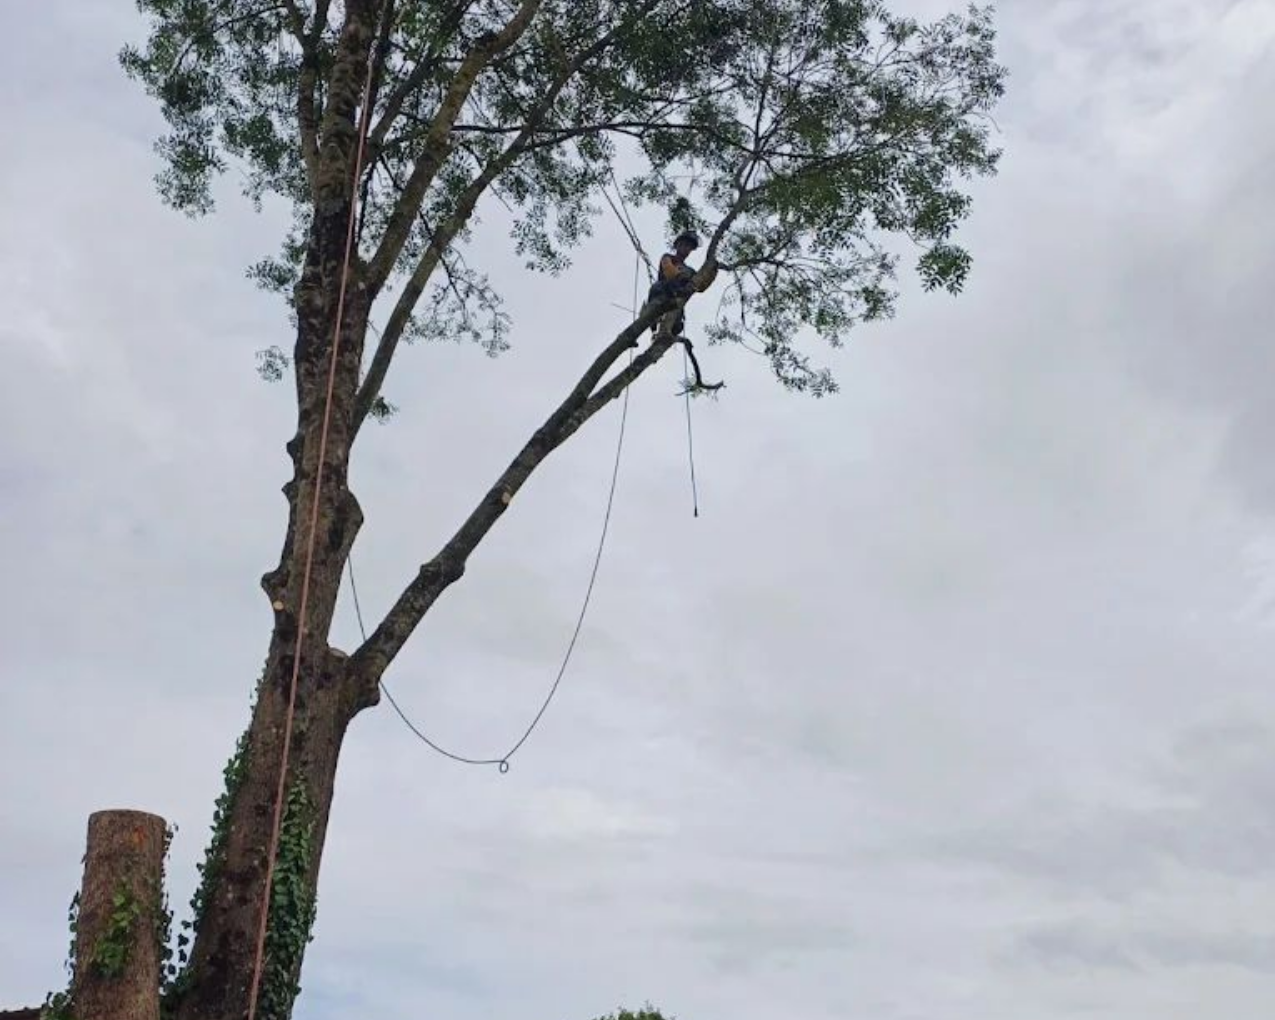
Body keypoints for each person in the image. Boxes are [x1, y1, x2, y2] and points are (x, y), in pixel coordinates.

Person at [647, 230, 700, 336]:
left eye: (689, 247)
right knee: (658, 289)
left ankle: (670, 330)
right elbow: (669, 272)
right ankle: (653, 318)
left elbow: (700, 286)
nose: (686, 249)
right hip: (662, 291)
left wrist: (712, 271)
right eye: (684, 245)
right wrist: (681, 275)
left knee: (677, 325)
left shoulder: (690, 270)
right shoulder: (667, 257)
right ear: (677, 245)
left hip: (676, 301)